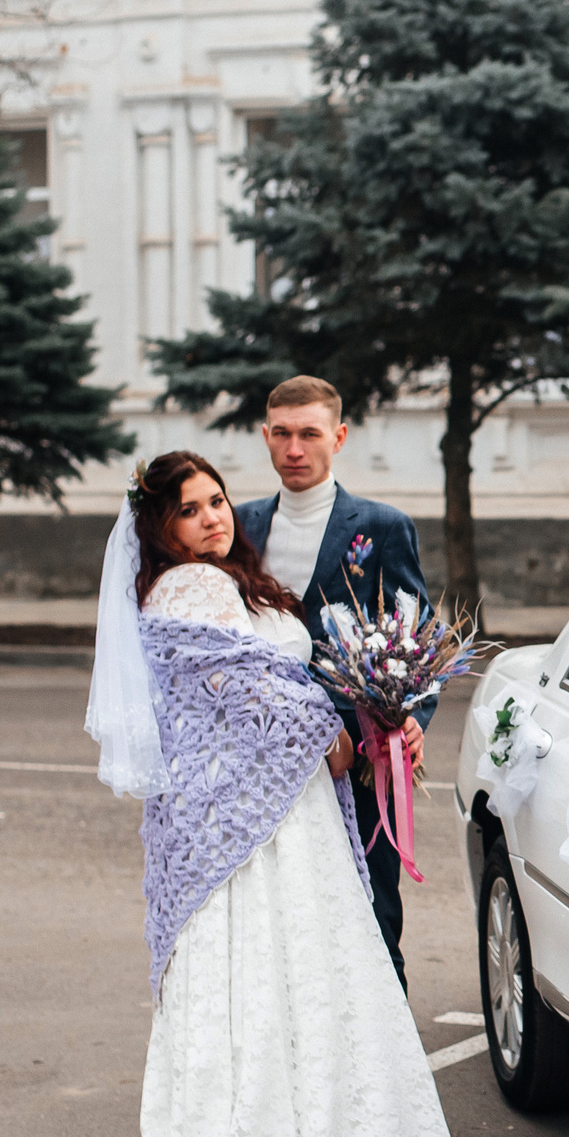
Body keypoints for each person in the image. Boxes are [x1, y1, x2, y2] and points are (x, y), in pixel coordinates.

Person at [84, 449, 482, 1137]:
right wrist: (334, 736)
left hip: (278, 802)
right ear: (161, 527)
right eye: (191, 509)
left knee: (287, 971)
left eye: (218, 500)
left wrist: (369, 711)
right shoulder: (191, 585)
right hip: (250, 816)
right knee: (273, 967)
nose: (212, 517)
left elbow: (272, 674)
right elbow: (240, 689)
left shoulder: (232, 575)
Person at [235, 376, 434, 992]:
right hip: (264, 752)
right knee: (282, 912)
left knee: (372, 907)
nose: (295, 449)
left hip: (360, 751)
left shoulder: (381, 526)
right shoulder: (238, 528)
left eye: (310, 434)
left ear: (338, 437)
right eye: (283, 434)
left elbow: (415, 635)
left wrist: (412, 719)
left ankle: (388, 1046)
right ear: (266, 438)